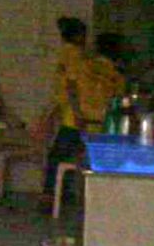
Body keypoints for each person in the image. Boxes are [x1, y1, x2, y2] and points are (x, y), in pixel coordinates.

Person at [42, 20, 125, 204]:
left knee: (59, 157)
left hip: (75, 119)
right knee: (88, 161)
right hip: (100, 124)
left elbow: (72, 88)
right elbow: (117, 99)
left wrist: (76, 112)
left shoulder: (82, 62)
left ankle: (52, 195)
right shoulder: (114, 73)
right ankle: (85, 198)